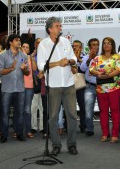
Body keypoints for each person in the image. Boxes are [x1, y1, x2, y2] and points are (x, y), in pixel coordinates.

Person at [37, 16, 78, 155]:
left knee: (72, 115)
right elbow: (41, 65)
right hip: (53, 86)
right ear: (50, 29)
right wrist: (58, 63)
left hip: (69, 84)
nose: (60, 28)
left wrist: (70, 61)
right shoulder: (44, 44)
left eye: (60, 25)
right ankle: (56, 145)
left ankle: (72, 144)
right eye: (57, 26)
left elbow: (74, 58)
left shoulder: (66, 41)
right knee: (53, 117)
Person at [89, 37, 120, 143]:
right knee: (103, 111)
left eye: (109, 43)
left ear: (113, 45)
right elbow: (91, 69)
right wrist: (98, 74)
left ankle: (115, 135)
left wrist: (107, 76)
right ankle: (105, 134)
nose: (106, 45)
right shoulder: (97, 58)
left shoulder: (117, 57)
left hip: (114, 88)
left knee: (115, 110)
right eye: (104, 43)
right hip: (100, 89)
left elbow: (119, 70)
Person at [0, 34, 29, 143]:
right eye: (16, 40)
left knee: (19, 113)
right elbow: (0, 72)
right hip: (7, 89)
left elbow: (27, 72)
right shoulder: (3, 55)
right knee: (4, 113)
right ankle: (4, 136)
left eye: (19, 40)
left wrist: (24, 69)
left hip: (20, 89)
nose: (19, 42)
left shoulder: (24, 56)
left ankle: (19, 133)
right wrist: (11, 68)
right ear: (10, 42)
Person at [80, 38, 99, 137]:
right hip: (89, 86)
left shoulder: (102, 57)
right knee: (88, 109)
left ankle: (105, 130)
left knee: (104, 109)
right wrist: (89, 59)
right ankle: (90, 129)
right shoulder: (85, 58)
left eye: (97, 44)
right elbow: (82, 68)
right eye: (93, 45)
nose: (95, 46)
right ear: (89, 47)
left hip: (101, 86)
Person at [21, 42, 37, 138]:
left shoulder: (31, 58)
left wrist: (31, 58)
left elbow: (35, 69)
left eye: (27, 47)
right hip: (18, 86)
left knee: (27, 109)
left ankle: (27, 130)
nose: (25, 48)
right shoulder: (17, 57)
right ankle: (18, 130)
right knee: (18, 109)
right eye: (23, 47)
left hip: (29, 86)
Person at [72, 40, 86, 133]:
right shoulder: (69, 57)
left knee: (82, 106)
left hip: (80, 85)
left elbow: (85, 69)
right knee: (69, 107)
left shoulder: (85, 58)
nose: (75, 48)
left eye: (77, 46)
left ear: (81, 48)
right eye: (73, 46)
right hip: (70, 85)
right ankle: (68, 125)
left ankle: (83, 125)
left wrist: (79, 60)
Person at [30, 38, 44, 134]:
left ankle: (42, 127)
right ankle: (33, 127)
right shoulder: (31, 56)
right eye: (37, 43)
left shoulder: (46, 55)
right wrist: (32, 58)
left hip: (43, 84)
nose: (39, 44)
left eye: (41, 43)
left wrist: (42, 73)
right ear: (35, 45)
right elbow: (34, 69)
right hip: (34, 85)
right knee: (33, 108)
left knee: (43, 108)